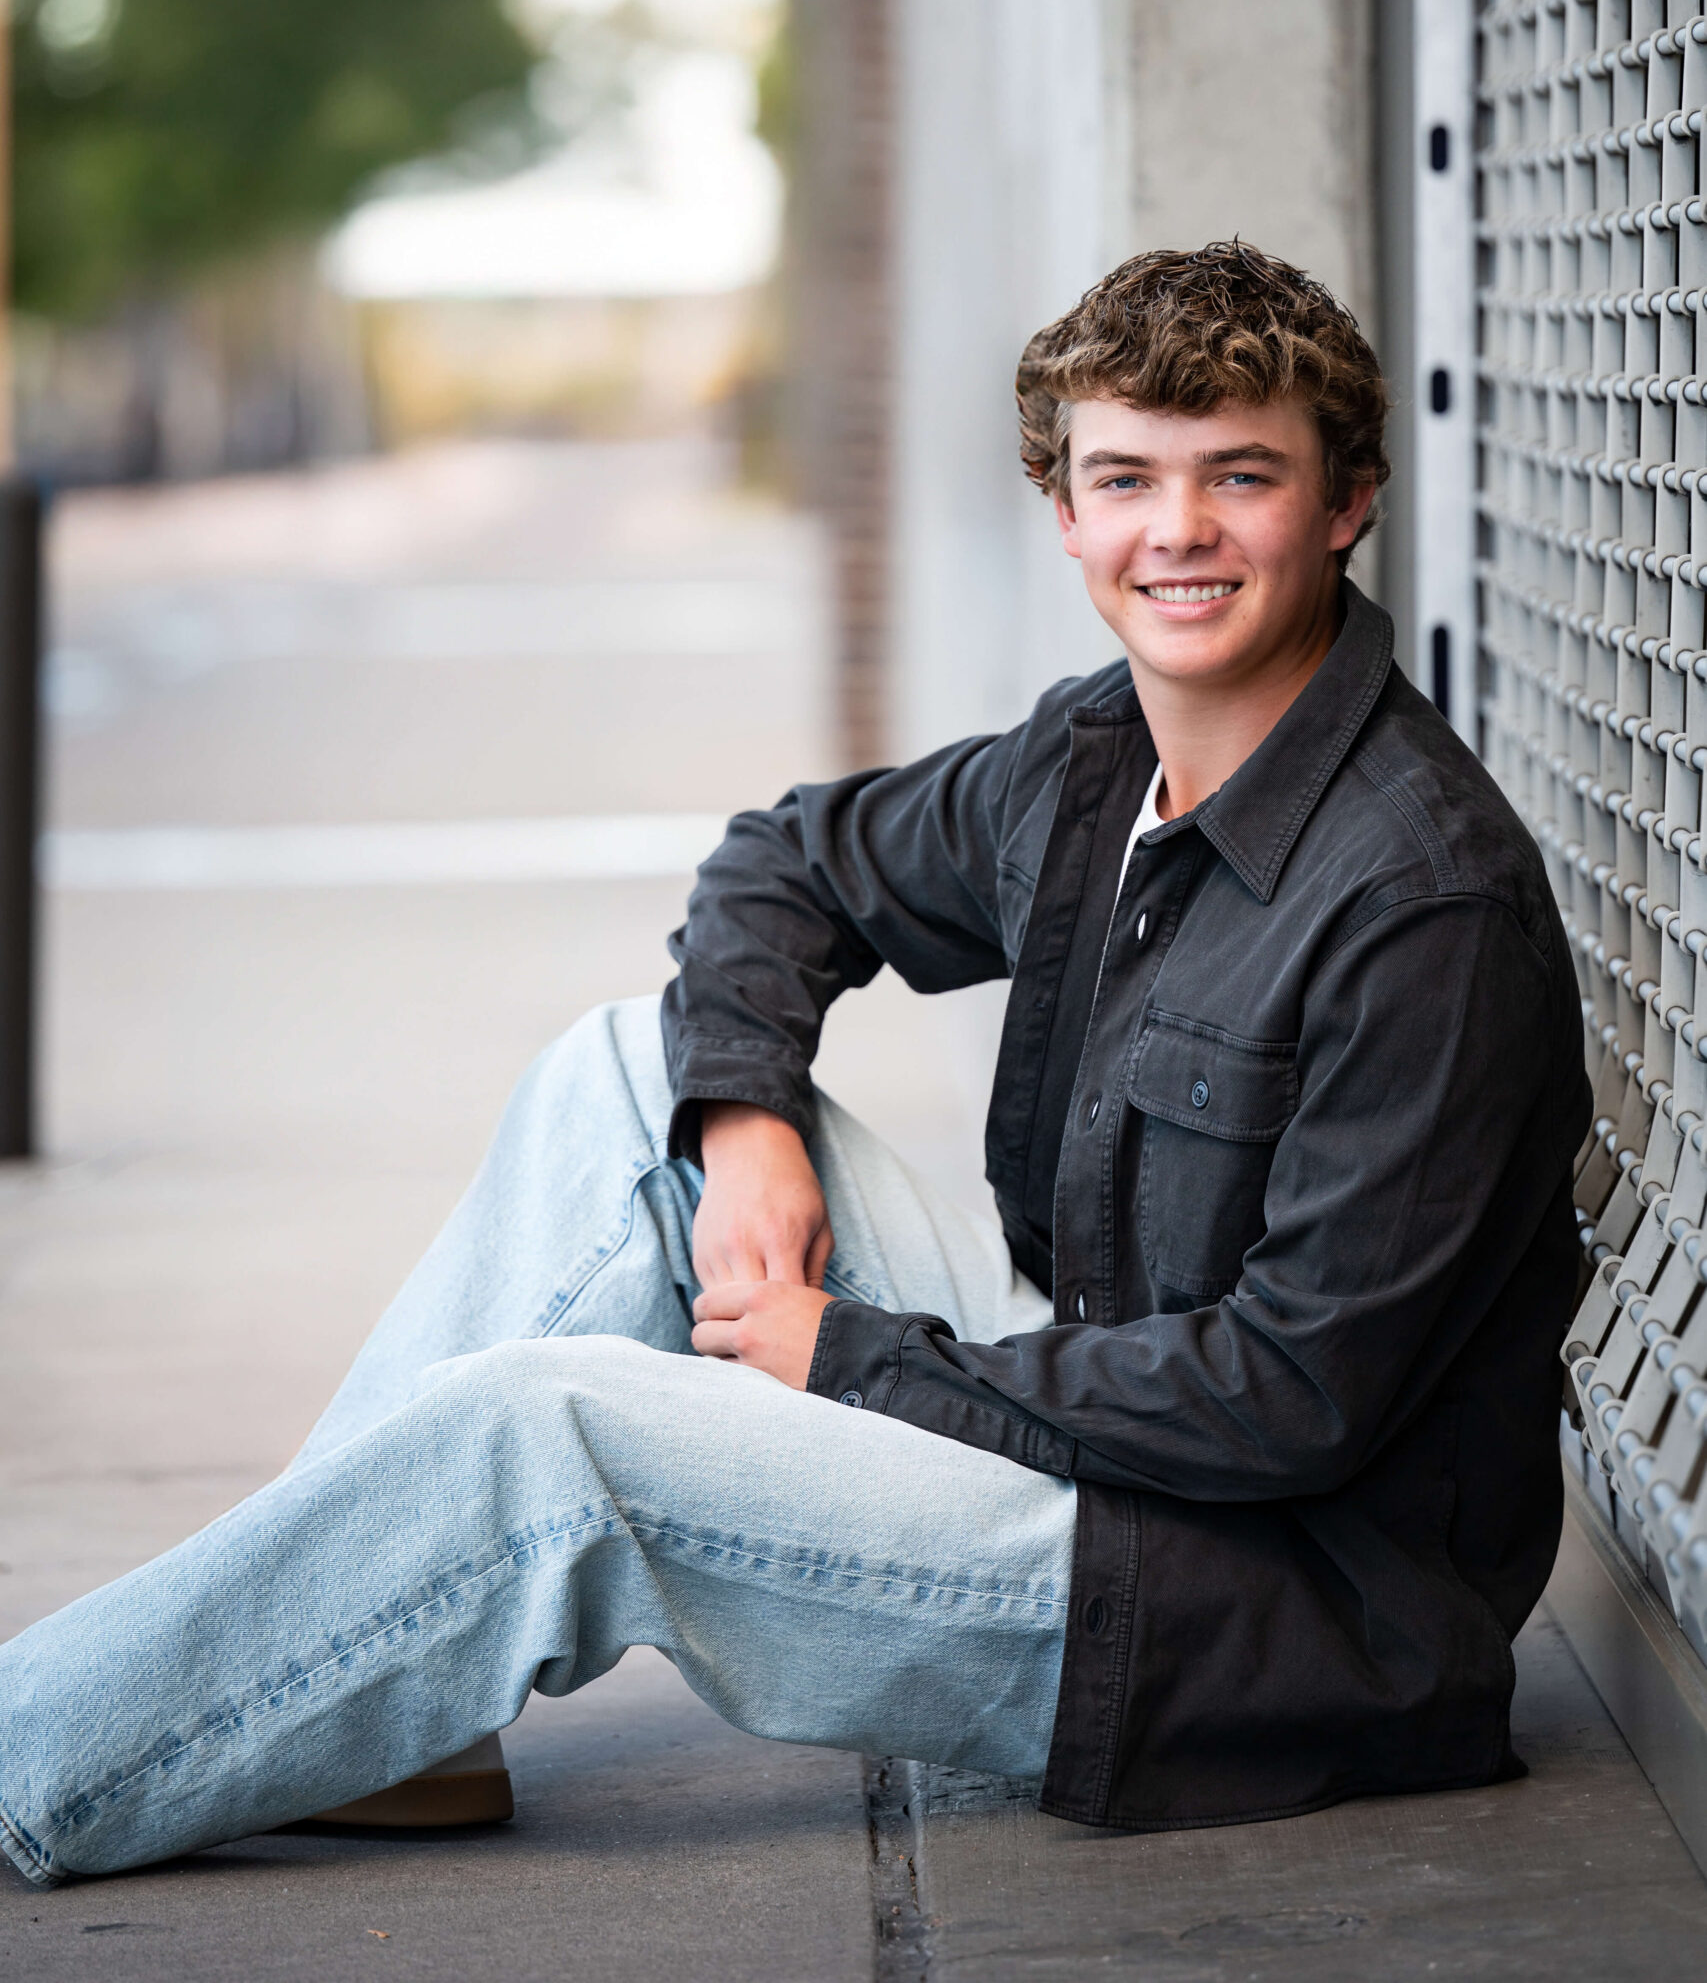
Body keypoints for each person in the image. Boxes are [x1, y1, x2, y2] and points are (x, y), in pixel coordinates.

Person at [0, 242, 1586, 1887]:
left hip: (1249, 1609)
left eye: (1238, 477)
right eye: (1126, 479)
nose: (1174, 532)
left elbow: (1290, 1403)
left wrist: (854, 1356)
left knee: (554, 1430)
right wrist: (750, 1121)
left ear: (1345, 505)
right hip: (1100, 1382)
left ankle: (39, 1756)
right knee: (634, 1073)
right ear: (1066, 514)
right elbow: (791, 864)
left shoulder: (1422, 906)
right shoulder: (1098, 754)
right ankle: (352, 1677)